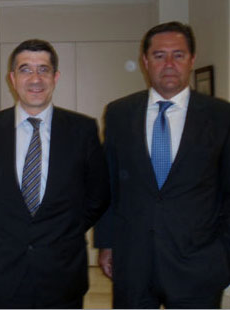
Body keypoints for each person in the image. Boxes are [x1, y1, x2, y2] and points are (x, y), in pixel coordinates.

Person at [95, 21, 230, 308]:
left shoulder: (221, 116)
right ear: (145, 61)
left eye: (178, 55)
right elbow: (108, 184)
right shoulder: (119, 113)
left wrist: (224, 253)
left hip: (199, 265)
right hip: (133, 263)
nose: (169, 63)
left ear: (192, 60)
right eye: (159, 55)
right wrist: (106, 243)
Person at [0, 39, 110, 308]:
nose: (35, 78)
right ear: (12, 78)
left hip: (63, 270)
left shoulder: (82, 130)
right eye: (25, 69)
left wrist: (65, 228)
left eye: (43, 69)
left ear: (55, 77)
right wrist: (15, 227)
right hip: (7, 271)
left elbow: (99, 194)